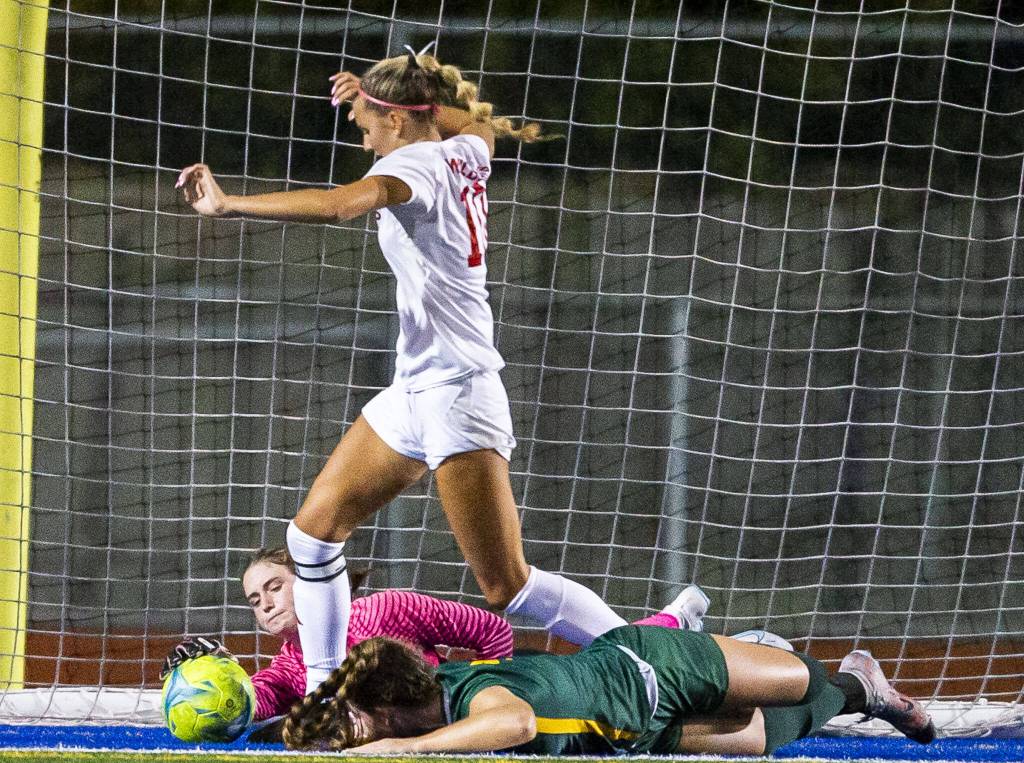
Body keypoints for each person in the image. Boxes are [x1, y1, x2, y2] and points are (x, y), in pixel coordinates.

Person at [176, 44, 644, 693]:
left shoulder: (414, 168)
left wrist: (230, 205)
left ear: (397, 122)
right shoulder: (467, 149)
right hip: (414, 389)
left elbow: (341, 205)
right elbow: (465, 121)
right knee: (310, 538)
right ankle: (324, 691)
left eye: (368, 128)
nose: (367, 143)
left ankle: (654, 648)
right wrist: (376, 94)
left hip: (458, 393)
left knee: (507, 585)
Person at [161, 546, 713, 722]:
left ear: (307, 578)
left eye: (274, 586)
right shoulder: (289, 665)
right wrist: (212, 682)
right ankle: (671, 631)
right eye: (255, 601)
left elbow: (490, 628)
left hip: (485, 690)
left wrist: (485, 688)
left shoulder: (390, 608)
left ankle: (670, 625)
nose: (266, 605)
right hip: (425, 726)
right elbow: (258, 702)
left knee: (603, 674)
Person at [280, 627, 936, 754]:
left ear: (388, 702)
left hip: (649, 664)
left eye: (360, 719)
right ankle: (866, 688)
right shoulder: (425, 715)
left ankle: (755, 645)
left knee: (799, 680)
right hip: (636, 732)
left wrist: (398, 752)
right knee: (769, 734)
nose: (355, 734)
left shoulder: (468, 698)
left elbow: (513, 723)